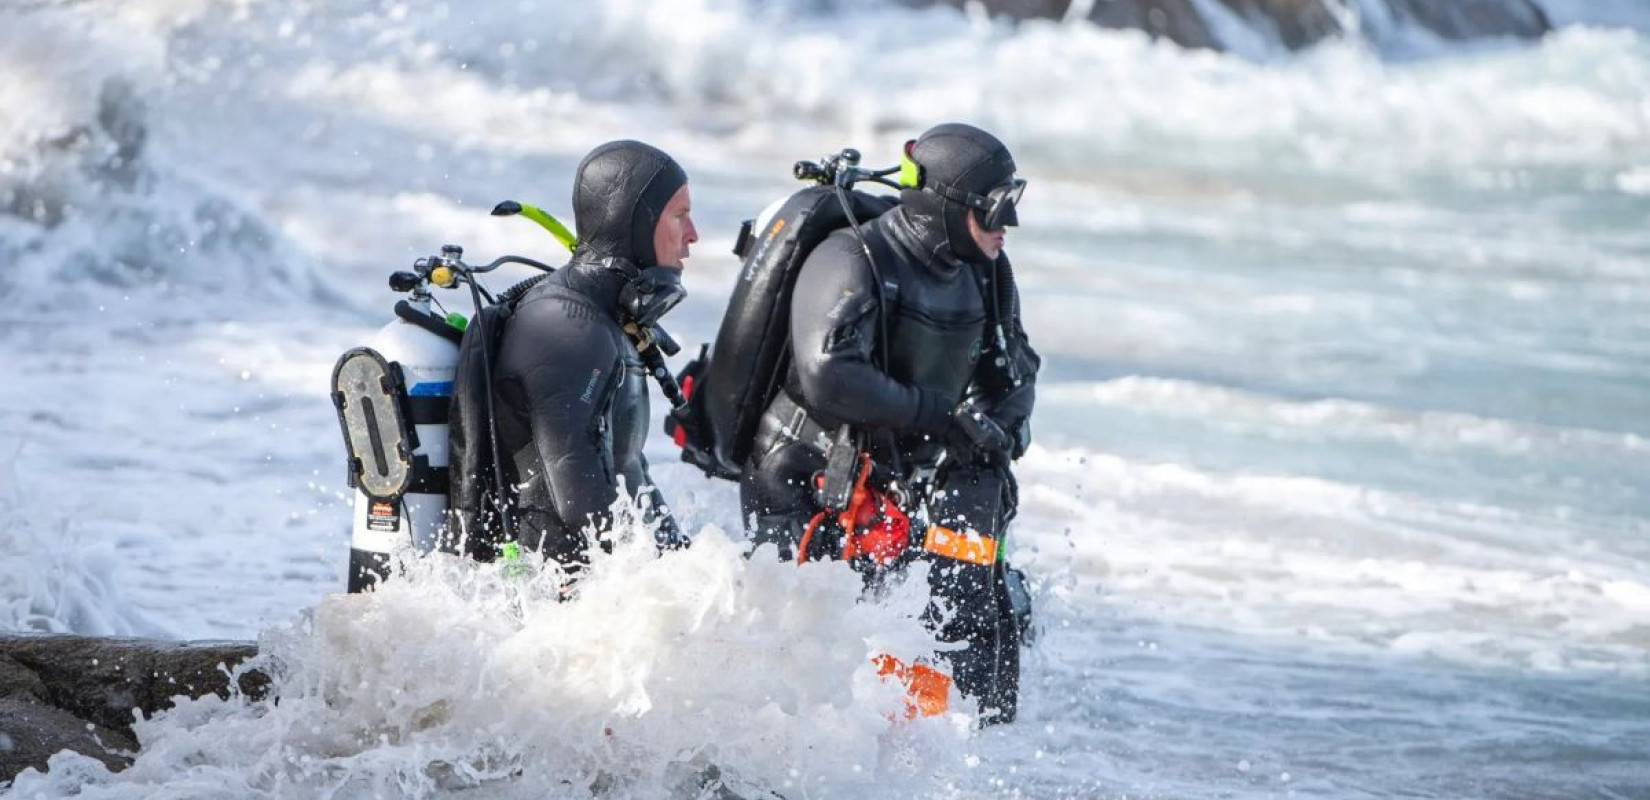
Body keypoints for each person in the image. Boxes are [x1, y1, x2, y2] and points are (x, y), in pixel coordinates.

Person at [738, 123, 1039, 723]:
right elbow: (829, 373)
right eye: (995, 209)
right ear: (948, 206)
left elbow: (1017, 371)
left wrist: (997, 428)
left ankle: (966, 744)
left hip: (896, 484)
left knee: (966, 613)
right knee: (813, 672)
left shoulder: (986, 270)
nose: (1008, 225)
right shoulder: (853, 259)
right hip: (805, 485)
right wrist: (941, 417)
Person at [449, 139, 697, 572]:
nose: (693, 234)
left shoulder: (607, 320)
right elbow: (582, 507)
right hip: (548, 603)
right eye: (679, 215)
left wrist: (693, 568)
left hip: (587, 591)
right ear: (636, 221)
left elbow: (629, 474)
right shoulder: (566, 329)